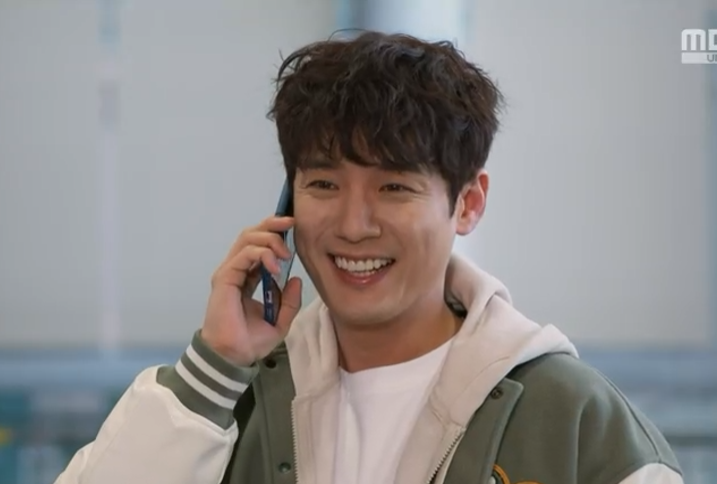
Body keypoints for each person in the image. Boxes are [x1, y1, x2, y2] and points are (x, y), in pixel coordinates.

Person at [54, 31, 683, 484]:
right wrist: (214, 367)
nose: (353, 226)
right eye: (324, 184)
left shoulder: (576, 423)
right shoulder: (232, 400)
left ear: (467, 203)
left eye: (394, 188)